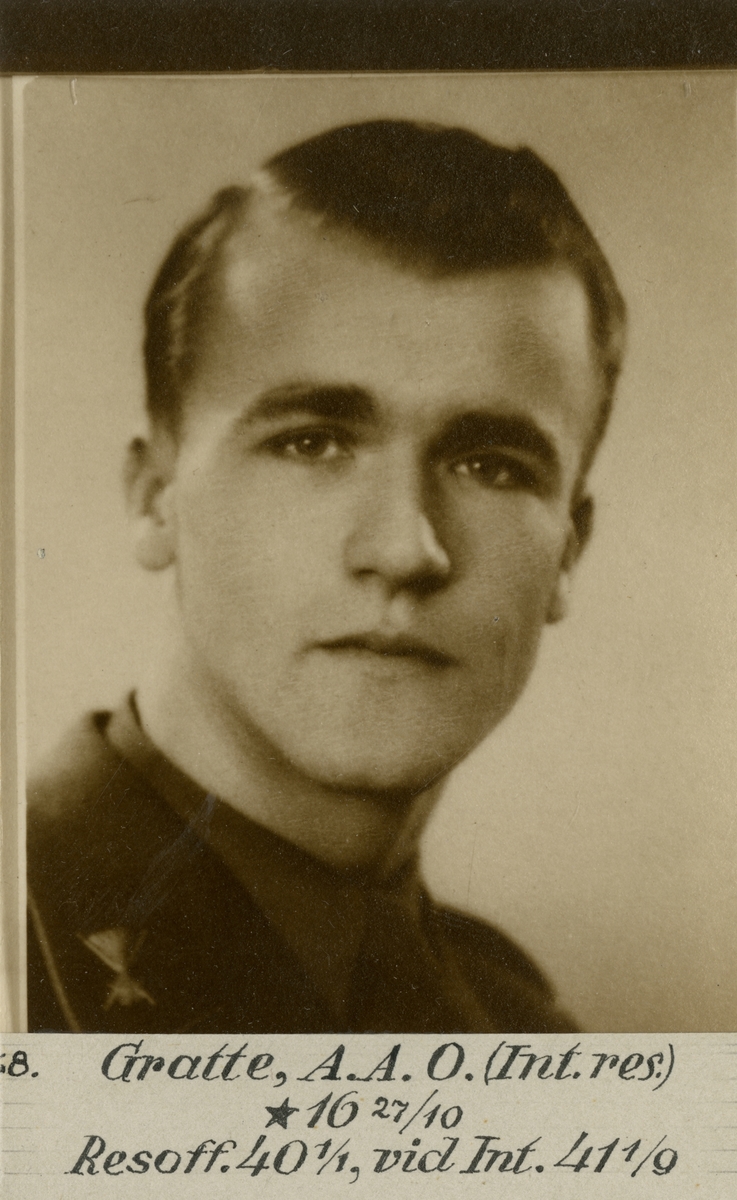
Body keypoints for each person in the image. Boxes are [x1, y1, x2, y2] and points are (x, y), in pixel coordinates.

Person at [27, 119, 626, 1034]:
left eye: (491, 465)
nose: (406, 550)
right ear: (155, 499)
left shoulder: (522, 1025)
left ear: (568, 554)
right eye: (311, 443)